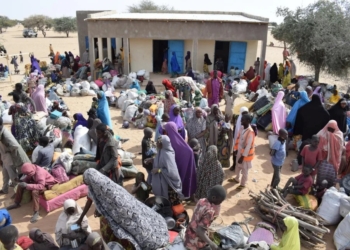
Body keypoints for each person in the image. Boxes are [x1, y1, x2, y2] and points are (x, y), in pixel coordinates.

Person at [77, 168, 169, 250]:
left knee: (136, 223)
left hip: (121, 211)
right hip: (113, 215)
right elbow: (90, 201)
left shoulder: (106, 185)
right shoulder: (94, 188)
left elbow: (119, 200)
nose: (85, 183)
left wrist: (80, 220)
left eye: (85, 180)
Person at [184, 185, 227, 250]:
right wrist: (212, 244)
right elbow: (199, 230)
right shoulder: (210, 212)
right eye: (220, 201)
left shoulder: (201, 200)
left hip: (188, 236)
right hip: (194, 242)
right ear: (213, 198)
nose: (220, 203)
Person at [164, 122, 197, 198]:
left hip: (176, 168)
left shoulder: (169, 141)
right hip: (177, 167)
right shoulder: (179, 140)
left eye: (166, 130)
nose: (164, 132)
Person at [150, 135, 184, 203]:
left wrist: (159, 170)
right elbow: (161, 162)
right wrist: (152, 160)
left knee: (170, 202)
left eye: (158, 143)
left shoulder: (167, 154)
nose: (157, 144)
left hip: (168, 184)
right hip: (162, 180)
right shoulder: (161, 151)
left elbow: (172, 172)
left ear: (163, 144)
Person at [229, 114, 255, 189]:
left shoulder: (250, 132)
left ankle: (243, 184)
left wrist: (242, 157)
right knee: (238, 166)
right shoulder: (242, 128)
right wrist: (235, 149)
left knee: (245, 170)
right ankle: (237, 179)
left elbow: (248, 146)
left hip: (246, 155)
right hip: (239, 151)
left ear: (248, 121)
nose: (241, 121)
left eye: (243, 120)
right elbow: (237, 139)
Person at [230, 107, 249, 171]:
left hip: (243, 143)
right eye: (243, 113)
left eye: (246, 113)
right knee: (235, 153)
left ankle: (239, 168)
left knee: (242, 155)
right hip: (237, 140)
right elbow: (235, 130)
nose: (245, 115)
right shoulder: (239, 121)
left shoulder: (247, 122)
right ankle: (234, 165)